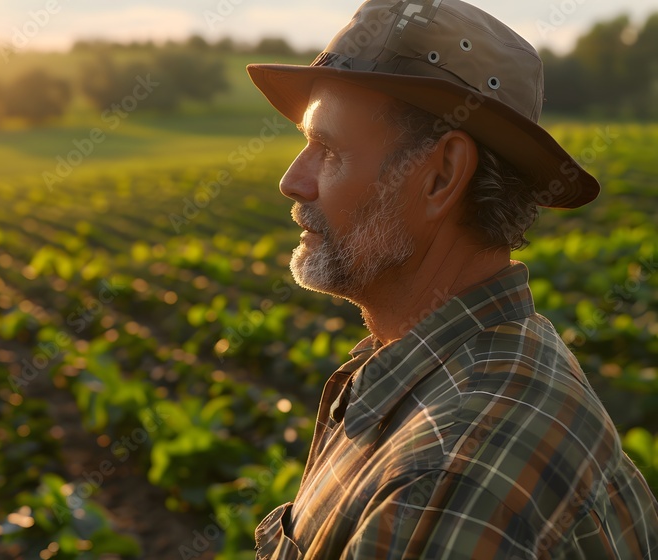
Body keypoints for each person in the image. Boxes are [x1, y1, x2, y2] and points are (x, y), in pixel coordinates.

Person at [245, 0, 658, 557]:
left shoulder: (445, 478)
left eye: (328, 149)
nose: (293, 181)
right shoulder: (477, 364)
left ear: (440, 175)